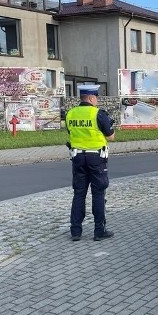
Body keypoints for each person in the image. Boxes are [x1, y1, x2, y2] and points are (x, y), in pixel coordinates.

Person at [65, 84, 116, 241]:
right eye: (96, 98)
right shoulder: (98, 114)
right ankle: (99, 231)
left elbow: (70, 132)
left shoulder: (70, 114)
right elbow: (110, 136)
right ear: (91, 98)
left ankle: (75, 231)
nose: (97, 101)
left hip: (77, 158)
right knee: (98, 194)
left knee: (79, 193)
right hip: (96, 159)